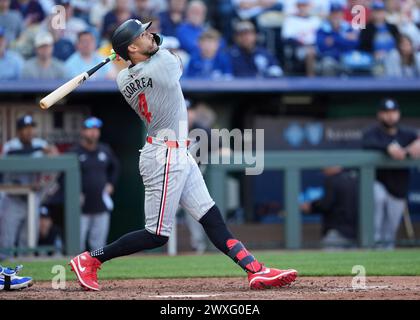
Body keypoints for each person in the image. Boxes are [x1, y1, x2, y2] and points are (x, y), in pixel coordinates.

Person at [69, 18, 298, 291]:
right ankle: (90, 259)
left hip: (176, 152)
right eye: (142, 34)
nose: (150, 35)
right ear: (131, 47)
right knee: (156, 235)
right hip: (164, 157)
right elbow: (164, 47)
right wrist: (132, 50)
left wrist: (124, 52)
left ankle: (255, 270)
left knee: (210, 217)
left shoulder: (122, 78)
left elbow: (146, 53)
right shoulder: (163, 65)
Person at [362, 98, 420, 249]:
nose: (390, 116)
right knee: (377, 203)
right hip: (378, 182)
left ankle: (384, 264)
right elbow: (367, 143)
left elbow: (416, 141)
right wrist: (387, 147)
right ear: (380, 115)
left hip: (398, 188)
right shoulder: (372, 133)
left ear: (398, 114)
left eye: (393, 112)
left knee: (389, 233)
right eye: (386, 112)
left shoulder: (407, 134)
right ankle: (371, 253)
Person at [0, 115, 58, 259]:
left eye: (31, 128)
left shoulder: (40, 143)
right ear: (19, 131)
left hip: (33, 199)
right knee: (7, 239)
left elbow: (56, 158)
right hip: (13, 198)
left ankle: (24, 269)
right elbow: (14, 154)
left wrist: (51, 152)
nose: (29, 131)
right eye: (25, 128)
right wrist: (39, 149)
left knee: (28, 240)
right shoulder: (10, 146)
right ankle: (6, 271)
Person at [70, 117, 120, 252]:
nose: (93, 133)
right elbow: (64, 177)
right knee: (77, 244)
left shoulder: (105, 150)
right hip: (81, 205)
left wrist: (111, 183)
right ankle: (76, 269)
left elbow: (115, 167)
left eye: (96, 130)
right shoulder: (74, 152)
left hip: (101, 203)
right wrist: (74, 193)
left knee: (99, 245)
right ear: (83, 132)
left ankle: (96, 268)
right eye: (90, 130)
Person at [300, 167, 358, 249]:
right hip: (354, 231)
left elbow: (326, 204)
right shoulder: (353, 179)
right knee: (352, 259)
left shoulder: (332, 180)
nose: (323, 170)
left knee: (332, 255)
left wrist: (311, 206)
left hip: (337, 230)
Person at [316, 2, 359, 76]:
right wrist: (344, 38)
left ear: (342, 15)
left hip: (346, 59)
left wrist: (334, 39)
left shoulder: (348, 27)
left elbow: (355, 44)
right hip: (330, 59)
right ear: (330, 15)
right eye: (334, 13)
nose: (336, 16)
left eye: (338, 13)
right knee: (327, 64)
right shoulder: (322, 28)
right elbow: (322, 46)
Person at [359, 1, 400, 75]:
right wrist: (373, 53)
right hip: (374, 58)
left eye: (381, 11)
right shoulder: (366, 29)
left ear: (384, 12)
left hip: (392, 57)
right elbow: (362, 46)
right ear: (372, 13)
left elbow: (399, 43)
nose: (379, 14)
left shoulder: (392, 27)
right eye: (376, 11)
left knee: (394, 55)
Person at [281, 0, 321, 76]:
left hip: (315, 46)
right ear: (297, 6)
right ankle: (311, 79)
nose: (303, 8)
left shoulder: (315, 20)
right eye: (300, 5)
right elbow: (286, 39)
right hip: (297, 48)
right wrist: (302, 44)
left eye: (305, 5)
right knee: (310, 52)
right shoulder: (290, 20)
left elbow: (320, 37)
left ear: (309, 6)